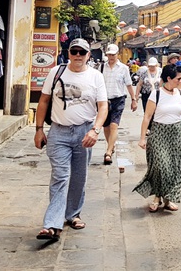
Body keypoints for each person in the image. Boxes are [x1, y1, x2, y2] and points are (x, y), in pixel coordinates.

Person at [34, 38, 108, 242]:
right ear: (68, 53)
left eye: (81, 52)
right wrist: (39, 129)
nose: (77, 55)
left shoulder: (96, 77)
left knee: (78, 176)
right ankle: (51, 224)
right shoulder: (55, 72)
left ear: (88, 55)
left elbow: (103, 106)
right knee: (60, 176)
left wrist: (95, 130)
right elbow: (44, 101)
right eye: (74, 51)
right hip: (59, 132)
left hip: (85, 132)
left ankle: (73, 214)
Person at [134, 64, 181, 213]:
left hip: (176, 134)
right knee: (160, 166)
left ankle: (168, 199)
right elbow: (147, 117)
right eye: (178, 78)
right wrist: (142, 138)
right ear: (169, 78)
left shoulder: (180, 94)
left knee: (174, 167)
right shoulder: (156, 94)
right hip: (158, 133)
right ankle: (157, 197)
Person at [100, 44, 138, 165]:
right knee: (105, 127)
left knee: (113, 125)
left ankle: (109, 152)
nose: (111, 57)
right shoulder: (101, 67)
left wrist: (134, 99)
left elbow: (128, 84)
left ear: (117, 54)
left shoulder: (123, 68)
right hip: (104, 100)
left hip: (118, 99)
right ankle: (111, 146)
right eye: (109, 54)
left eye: (113, 54)